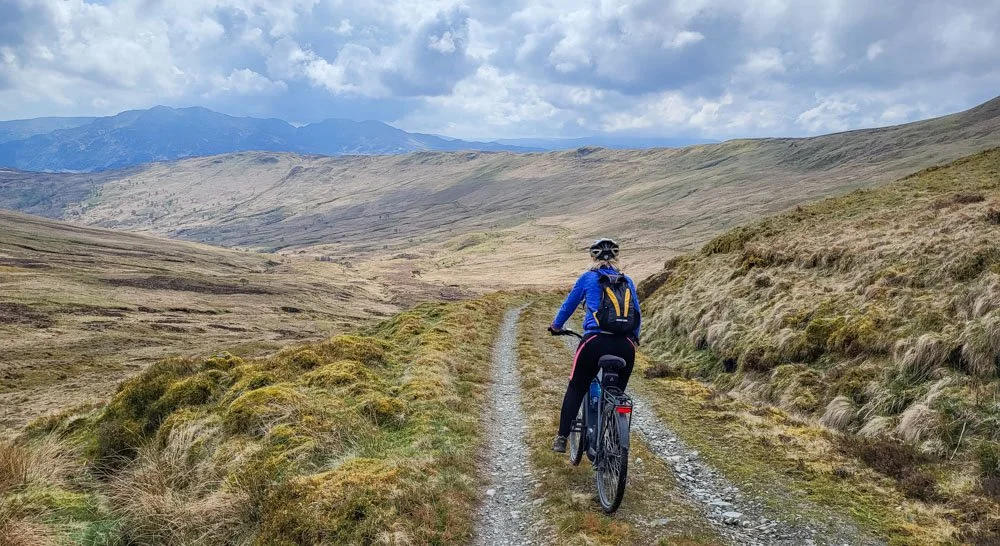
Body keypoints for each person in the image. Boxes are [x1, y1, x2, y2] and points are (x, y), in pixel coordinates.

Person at [548, 238, 640, 453]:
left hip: (594, 342)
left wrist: (556, 326)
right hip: (624, 345)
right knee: (615, 394)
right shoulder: (627, 281)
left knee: (577, 386)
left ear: (593, 257)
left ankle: (562, 437)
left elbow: (568, 306)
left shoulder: (587, 278)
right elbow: (637, 313)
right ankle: (613, 437)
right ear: (617, 258)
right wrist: (634, 338)